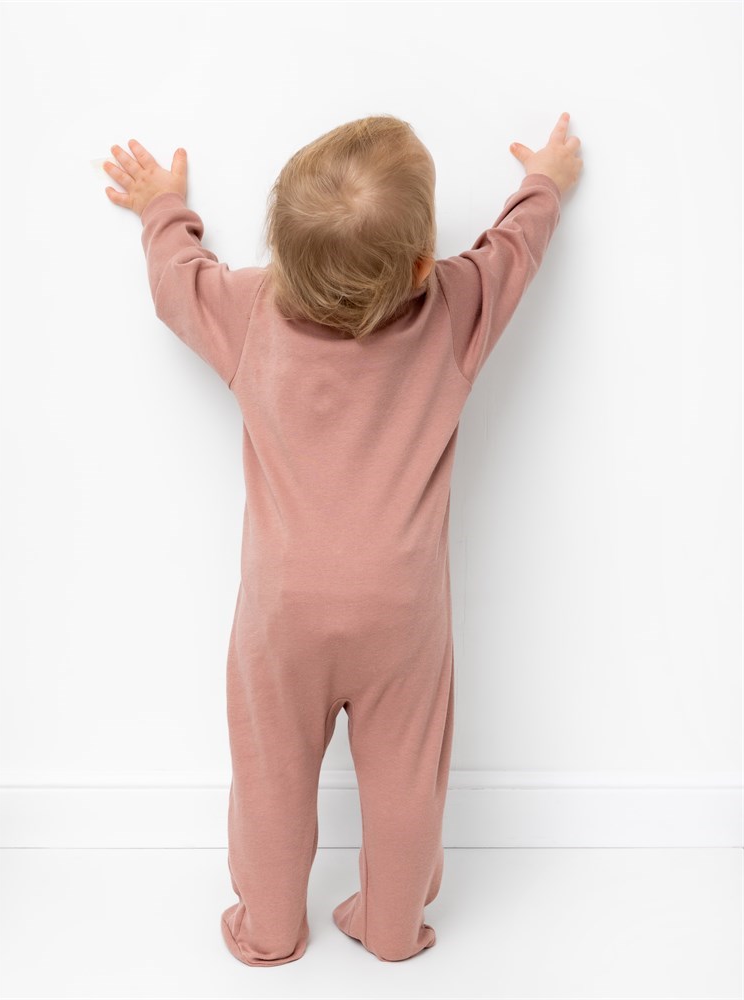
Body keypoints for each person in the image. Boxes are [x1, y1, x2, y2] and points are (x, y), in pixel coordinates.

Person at [102, 111, 582, 967]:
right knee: (404, 779)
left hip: (283, 611)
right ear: (418, 263)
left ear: (283, 252)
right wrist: (543, 180)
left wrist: (160, 207)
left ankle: (269, 927)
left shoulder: (250, 309)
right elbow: (516, 250)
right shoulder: (454, 304)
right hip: (402, 613)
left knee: (271, 775)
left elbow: (177, 283)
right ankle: (393, 930)